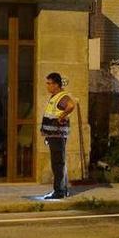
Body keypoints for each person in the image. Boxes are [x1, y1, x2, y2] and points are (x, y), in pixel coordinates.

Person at [40, 72, 75, 200]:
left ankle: (59, 191)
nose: (47, 86)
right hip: (54, 135)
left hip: (57, 136)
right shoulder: (55, 96)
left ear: (56, 84)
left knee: (57, 163)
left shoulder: (61, 96)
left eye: (49, 83)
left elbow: (71, 105)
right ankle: (62, 190)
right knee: (59, 163)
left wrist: (61, 116)